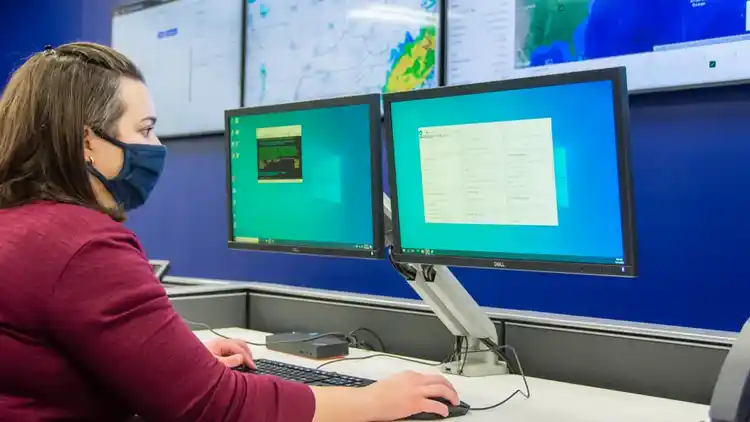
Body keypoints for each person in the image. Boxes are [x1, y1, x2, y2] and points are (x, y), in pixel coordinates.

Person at [0, 42, 459, 421]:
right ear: (87, 142)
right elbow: (215, 406)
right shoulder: (82, 243)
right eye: (145, 130)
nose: (156, 147)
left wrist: (175, 355)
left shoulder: (18, 224)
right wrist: (371, 401)